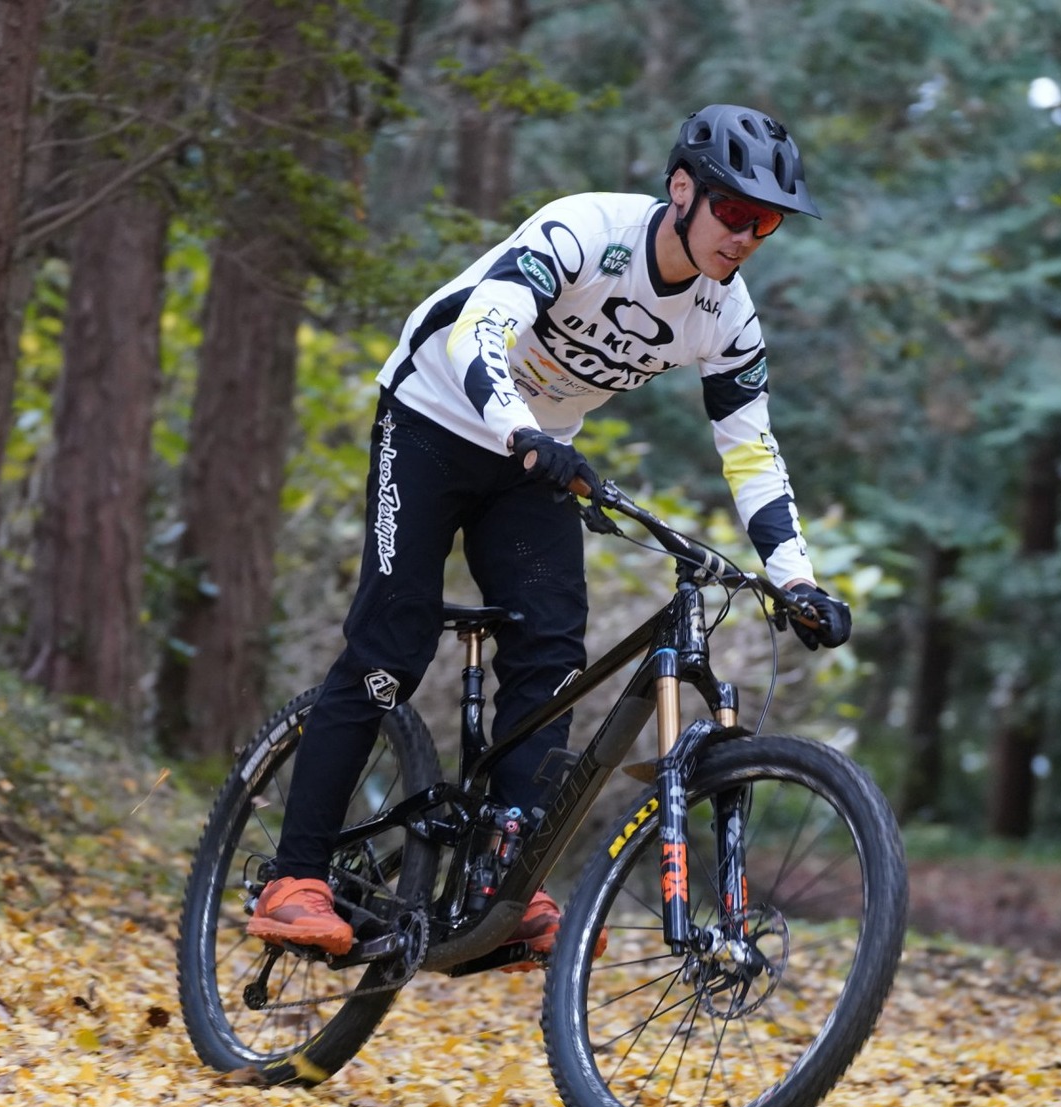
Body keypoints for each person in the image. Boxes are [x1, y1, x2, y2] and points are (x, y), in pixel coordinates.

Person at [248, 103, 852, 957]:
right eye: (736, 212)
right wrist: (517, 428)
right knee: (390, 644)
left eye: (769, 223)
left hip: (534, 457)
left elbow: (750, 449)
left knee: (552, 659)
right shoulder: (585, 230)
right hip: (432, 415)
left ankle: (501, 882)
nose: (749, 235)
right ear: (681, 190)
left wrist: (794, 577)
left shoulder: (726, 313)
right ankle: (294, 876)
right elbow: (481, 326)